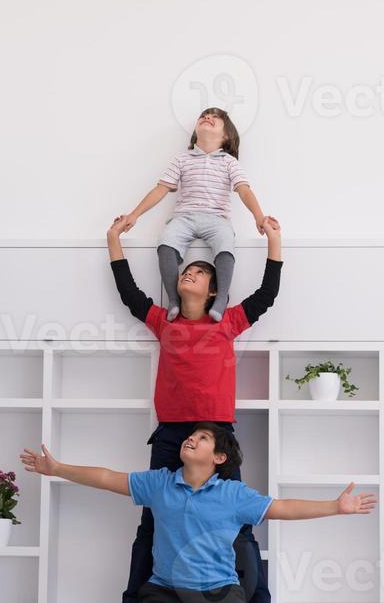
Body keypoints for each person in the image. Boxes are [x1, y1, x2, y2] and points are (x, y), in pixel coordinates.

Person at [107, 214, 282, 603]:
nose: (191, 273)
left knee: (239, 523)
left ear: (213, 290)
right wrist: (113, 239)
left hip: (216, 432)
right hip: (171, 435)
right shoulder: (163, 322)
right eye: (187, 269)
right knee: (151, 522)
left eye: (201, 272)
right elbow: (129, 292)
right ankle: (137, 596)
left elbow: (267, 294)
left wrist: (273, 240)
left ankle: (258, 598)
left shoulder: (228, 322)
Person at [20, 423, 377, 602]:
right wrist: (58, 469)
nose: (192, 439)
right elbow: (108, 477)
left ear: (219, 458)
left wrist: (335, 507)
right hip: (165, 590)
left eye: (203, 438)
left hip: (218, 592)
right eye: (191, 436)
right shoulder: (159, 484)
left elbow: (282, 507)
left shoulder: (233, 494)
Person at [120, 108, 279, 321]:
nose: (208, 118)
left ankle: (221, 297)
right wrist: (134, 214)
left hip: (216, 219)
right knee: (165, 243)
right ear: (196, 132)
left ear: (226, 136)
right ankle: (174, 299)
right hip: (184, 218)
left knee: (225, 243)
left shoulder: (229, 162)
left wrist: (258, 217)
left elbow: (244, 190)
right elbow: (161, 189)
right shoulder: (182, 159)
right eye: (204, 116)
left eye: (215, 117)